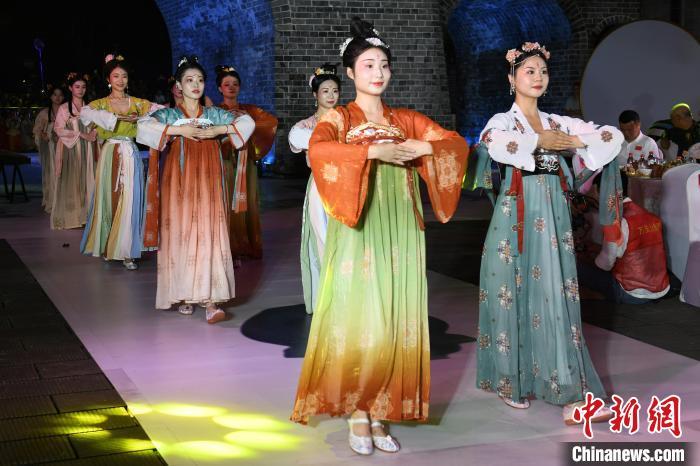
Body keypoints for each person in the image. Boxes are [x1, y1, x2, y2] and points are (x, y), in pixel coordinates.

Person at [290, 18, 468, 456]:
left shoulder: (404, 118)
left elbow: (454, 144)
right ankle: (357, 408)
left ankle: (383, 407)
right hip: (360, 222)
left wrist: (425, 147)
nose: (378, 72)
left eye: (384, 64)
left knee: (396, 312)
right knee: (360, 312)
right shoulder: (340, 117)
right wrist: (373, 150)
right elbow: (319, 150)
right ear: (350, 73)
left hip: (401, 224)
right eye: (368, 65)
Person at [475, 41, 623, 425]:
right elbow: (492, 143)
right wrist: (539, 141)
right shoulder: (503, 121)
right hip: (515, 217)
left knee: (556, 296)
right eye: (529, 71)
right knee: (508, 293)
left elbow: (611, 136)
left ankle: (571, 392)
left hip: (553, 219)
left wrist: (573, 142)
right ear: (512, 79)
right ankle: (510, 381)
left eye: (543, 71)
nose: (538, 77)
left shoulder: (559, 122)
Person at [137, 56, 255, 324]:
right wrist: (179, 131)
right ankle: (185, 293)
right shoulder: (170, 114)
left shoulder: (213, 114)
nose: (196, 85)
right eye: (189, 80)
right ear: (178, 85)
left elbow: (247, 123)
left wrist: (218, 130)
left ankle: (211, 300)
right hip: (179, 178)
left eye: (200, 80)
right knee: (181, 230)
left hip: (209, 177)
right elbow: (143, 127)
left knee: (209, 229)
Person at [80, 55, 160, 270]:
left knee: (131, 199)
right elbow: (84, 114)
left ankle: (127, 251)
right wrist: (111, 119)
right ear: (108, 79)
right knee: (109, 197)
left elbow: (160, 111)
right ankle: (109, 246)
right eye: (116, 76)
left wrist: (142, 120)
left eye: (124, 76)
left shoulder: (138, 103)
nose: (121, 80)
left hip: (130, 151)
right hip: (110, 152)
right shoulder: (100, 104)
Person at [288, 63, 340, 314]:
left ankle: (346, 298)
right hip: (320, 185)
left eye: (335, 91)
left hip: (345, 184)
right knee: (322, 239)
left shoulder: (347, 121)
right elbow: (295, 139)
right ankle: (324, 299)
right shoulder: (305, 126)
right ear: (315, 95)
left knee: (346, 239)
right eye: (325, 91)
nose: (330, 96)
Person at [216, 65, 278, 261]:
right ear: (219, 88)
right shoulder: (215, 111)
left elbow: (270, 122)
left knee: (249, 200)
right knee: (227, 201)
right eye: (227, 84)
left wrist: (246, 121)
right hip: (225, 161)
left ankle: (249, 244)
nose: (231, 87)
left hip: (246, 162)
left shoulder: (249, 110)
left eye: (235, 84)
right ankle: (229, 246)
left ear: (240, 87)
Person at [577, 184, 670, 304]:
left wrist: (588, 258)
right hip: (660, 289)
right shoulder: (651, 217)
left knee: (577, 268)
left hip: (631, 293)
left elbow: (605, 265)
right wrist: (597, 248)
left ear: (602, 193)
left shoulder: (617, 221)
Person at [51, 73, 97, 230]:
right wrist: (81, 134)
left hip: (88, 149)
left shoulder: (90, 108)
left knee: (88, 179)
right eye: (77, 87)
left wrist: (94, 133)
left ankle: (87, 216)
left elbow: (96, 126)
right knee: (73, 181)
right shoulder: (64, 108)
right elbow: (58, 129)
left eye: (83, 87)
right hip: (71, 149)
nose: (80, 90)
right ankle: (72, 217)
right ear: (70, 88)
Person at [33, 86, 64, 213]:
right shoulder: (44, 113)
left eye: (60, 95)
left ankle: (64, 202)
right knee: (51, 172)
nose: (57, 97)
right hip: (50, 146)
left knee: (65, 172)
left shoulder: (67, 111)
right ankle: (52, 201)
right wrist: (43, 134)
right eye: (55, 94)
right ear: (51, 97)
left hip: (65, 145)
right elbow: (37, 129)